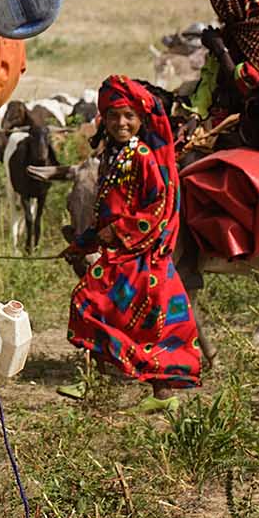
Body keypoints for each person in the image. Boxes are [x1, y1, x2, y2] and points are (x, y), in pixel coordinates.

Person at [60, 76, 201, 412]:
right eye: (113, 117)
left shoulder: (142, 156)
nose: (121, 123)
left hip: (141, 253)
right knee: (139, 321)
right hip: (128, 250)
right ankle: (159, 396)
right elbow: (107, 211)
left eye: (128, 117)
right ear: (103, 120)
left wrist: (119, 231)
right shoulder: (118, 154)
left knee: (88, 302)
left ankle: (97, 382)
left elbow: (157, 205)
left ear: (140, 119)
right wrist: (81, 244)